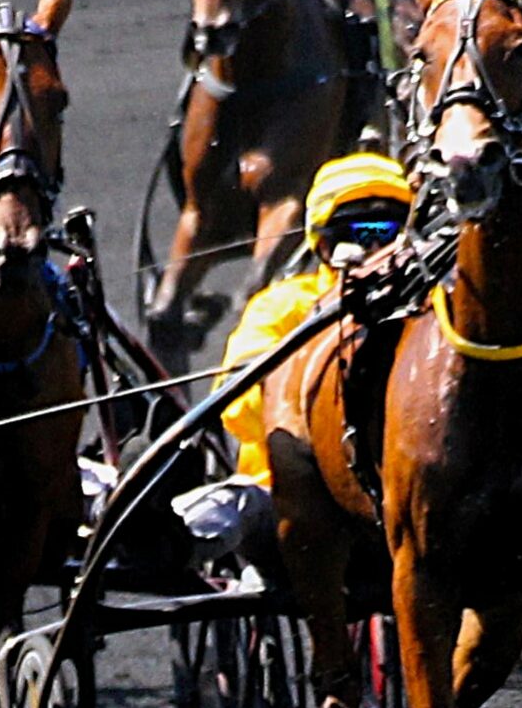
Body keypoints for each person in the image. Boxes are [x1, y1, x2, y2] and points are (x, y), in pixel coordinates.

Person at [169, 152, 419, 574]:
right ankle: (175, 535)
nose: (375, 248)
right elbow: (237, 412)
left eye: (388, 232)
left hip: (409, 501)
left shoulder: (430, 311)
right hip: (287, 502)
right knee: (238, 505)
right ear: (322, 243)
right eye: (357, 234)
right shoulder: (282, 307)